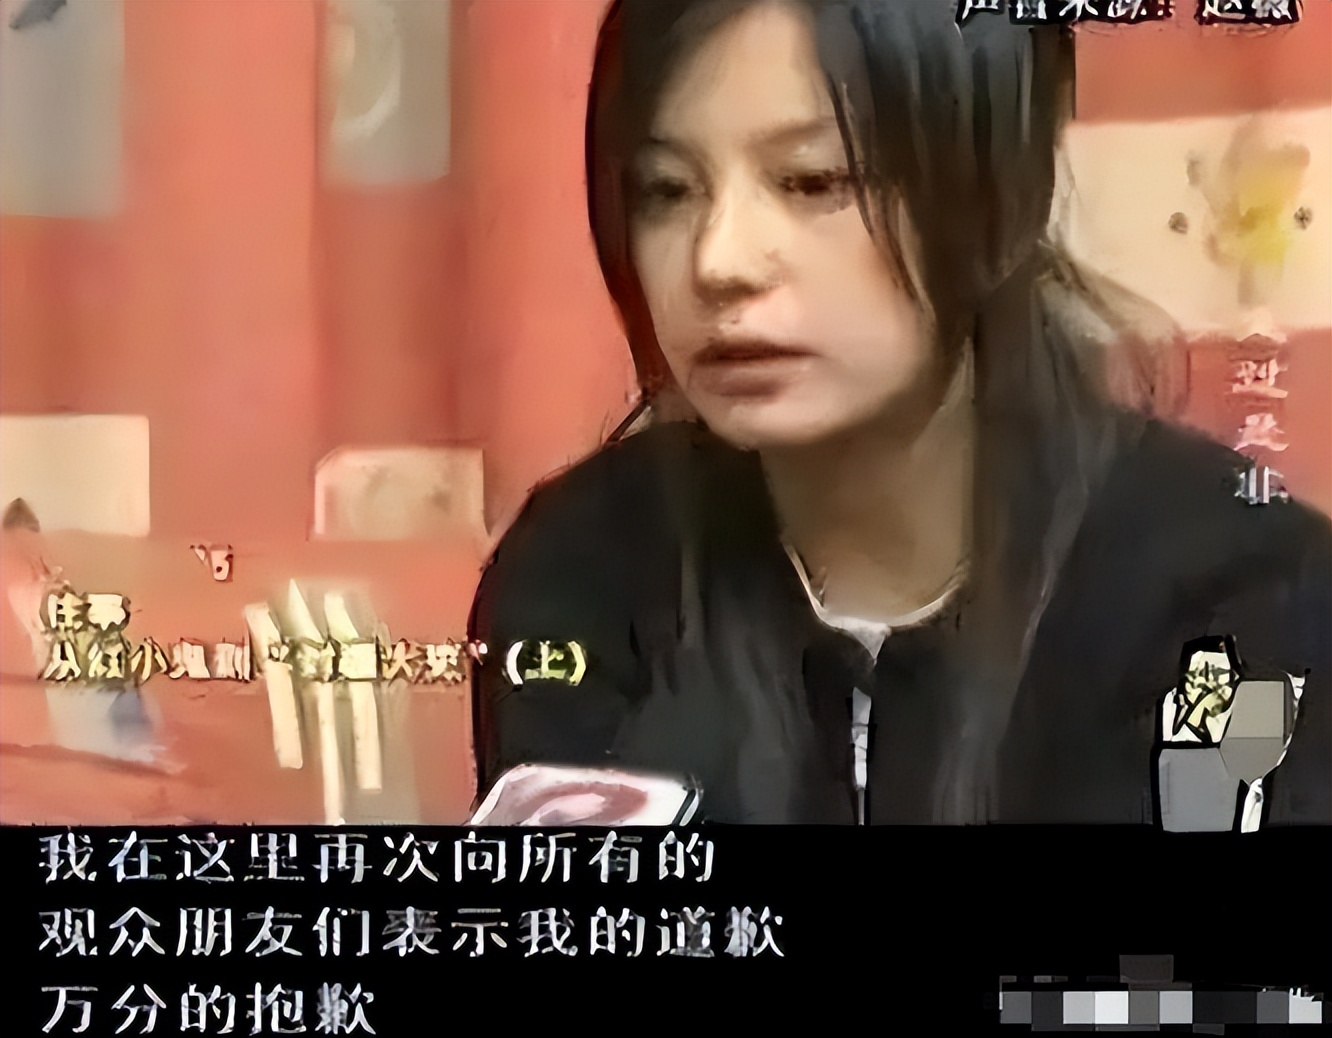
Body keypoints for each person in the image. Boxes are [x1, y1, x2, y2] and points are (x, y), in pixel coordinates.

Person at [467, 0, 1331, 824]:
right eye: (667, 191)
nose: (718, 261)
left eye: (813, 182)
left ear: (996, 188)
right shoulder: (585, 571)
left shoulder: (1241, 592)